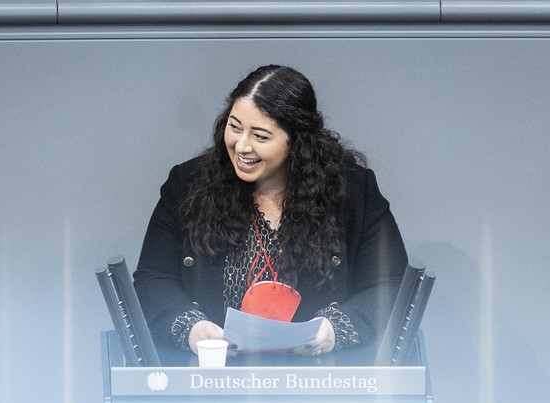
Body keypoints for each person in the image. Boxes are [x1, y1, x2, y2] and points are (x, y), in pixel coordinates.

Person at [134, 64, 407, 357]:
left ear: (297, 143)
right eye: (235, 127)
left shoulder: (351, 190)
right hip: (213, 377)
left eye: (260, 136)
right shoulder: (187, 185)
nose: (241, 146)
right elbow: (153, 278)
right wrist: (192, 329)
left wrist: (335, 329)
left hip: (321, 383)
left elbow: (393, 284)